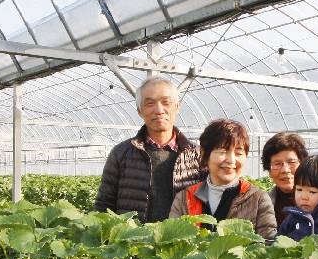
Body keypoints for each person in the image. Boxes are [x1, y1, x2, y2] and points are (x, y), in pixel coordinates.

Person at [93, 77, 200, 222]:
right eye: (150, 103)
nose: (159, 110)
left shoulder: (197, 155)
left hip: (183, 241)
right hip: (133, 241)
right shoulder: (121, 153)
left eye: (166, 102)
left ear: (177, 107)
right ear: (139, 111)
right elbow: (104, 206)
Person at [169, 119, 276, 240]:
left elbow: (267, 246)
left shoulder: (258, 199)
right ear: (204, 154)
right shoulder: (184, 198)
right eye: (223, 151)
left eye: (238, 153)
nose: (231, 160)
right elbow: (174, 243)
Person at [261, 132, 309, 226]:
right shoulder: (261, 204)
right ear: (269, 171)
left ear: (303, 165)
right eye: (277, 164)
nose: (285, 170)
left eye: (291, 162)